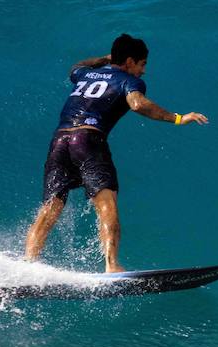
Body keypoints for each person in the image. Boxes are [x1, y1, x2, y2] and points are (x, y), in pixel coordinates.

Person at [24, 33, 208, 272]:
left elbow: (76, 66)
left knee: (52, 205)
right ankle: (111, 265)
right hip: (88, 139)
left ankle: (29, 261)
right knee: (106, 203)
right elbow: (138, 104)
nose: (143, 71)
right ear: (130, 61)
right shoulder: (128, 80)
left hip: (60, 139)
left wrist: (106, 58)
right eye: (142, 64)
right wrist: (178, 118)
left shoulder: (85, 74)